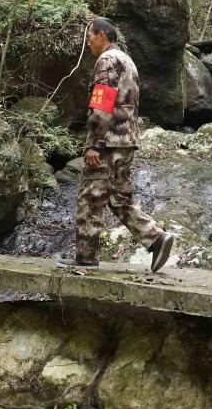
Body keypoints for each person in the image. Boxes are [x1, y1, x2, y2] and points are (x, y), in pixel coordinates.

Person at [58, 17, 174, 272]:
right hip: (127, 139)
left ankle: (85, 258)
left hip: (108, 142)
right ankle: (156, 238)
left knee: (91, 196)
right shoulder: (128, 61)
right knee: (118, 197)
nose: (88, 43)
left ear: (101, 35)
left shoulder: (107, 61)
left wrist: (95, 145)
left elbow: (102, 105)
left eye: (90, 37)